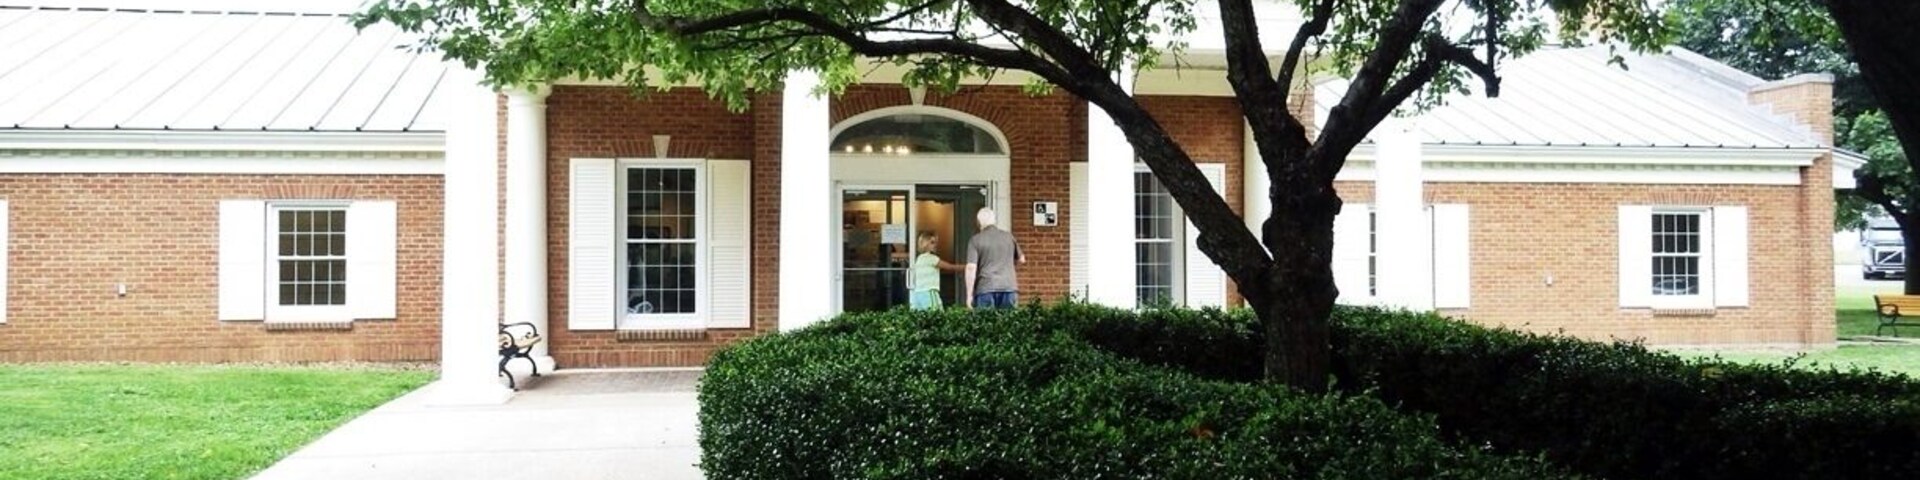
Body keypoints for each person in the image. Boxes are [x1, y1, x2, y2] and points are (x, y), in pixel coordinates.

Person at [965, 207, 1025, 309]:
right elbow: (1022, 259)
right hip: (1008, 287)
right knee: (1009, 324)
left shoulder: (975, 240)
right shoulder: (1008, 237)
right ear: (994, 220)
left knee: (987, 323)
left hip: (985, 288)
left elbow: (971, 267)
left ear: (979, 223)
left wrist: (969, 295)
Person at [907, 231, 966, 310]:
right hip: (929, 292)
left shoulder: (919, 259)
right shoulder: (932, 258)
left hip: (918, 293)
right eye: (932, 242)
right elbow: (950, 267)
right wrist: (968, 267)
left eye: (935, 242)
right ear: (925, 243)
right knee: (937, 317)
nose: (935, 245)